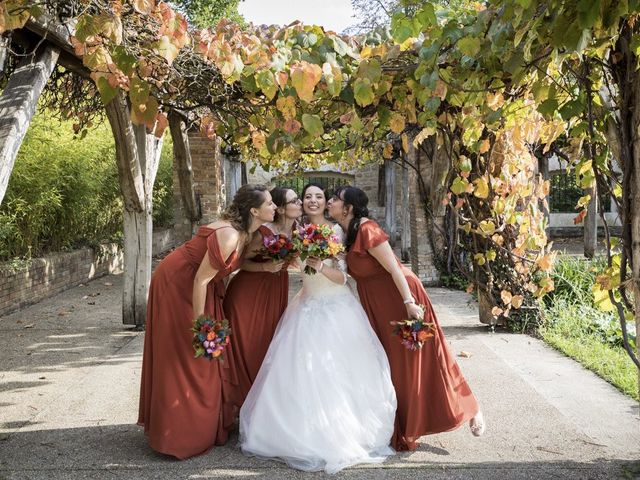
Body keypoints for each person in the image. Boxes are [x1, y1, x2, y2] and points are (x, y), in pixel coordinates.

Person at [239, 183, 397, 474]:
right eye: (307, 196)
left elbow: (341, 278)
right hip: (305, 307)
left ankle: (339, 432)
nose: (312, 200)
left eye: (319, 197)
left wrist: (320, 266)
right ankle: (296, 433)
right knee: (299, 374)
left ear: (327, 204)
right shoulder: (297, 233)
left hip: (336, 309)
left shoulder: (336, 233)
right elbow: (292, 265)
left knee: (335, 374)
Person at [330, 185, 485, 452]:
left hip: (401, 299)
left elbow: (394, 268)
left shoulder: (368, 229)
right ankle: (401, 424)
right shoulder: (346, 232)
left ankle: (470, 407)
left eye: (335, 199)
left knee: (422, 362)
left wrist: (409, 304)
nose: (329, 201)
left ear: (349, 207)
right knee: (392, 366)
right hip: (377, 305)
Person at [137, 184, 276, 460]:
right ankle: (178, 433)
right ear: (254, 210)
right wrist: (201, 326)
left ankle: (203, 424)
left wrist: (266, 267)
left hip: (202, 286)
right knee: (187, 355)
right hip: (178, 284)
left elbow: (233, 266)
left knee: (207, 359)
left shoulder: (246, 234)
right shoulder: (228, 235)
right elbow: (201, 278)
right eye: (270, 203)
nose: (275, 207)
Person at [223, 187, 302, 409]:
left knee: (268, 343)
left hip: (275, 290)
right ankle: (242, 402)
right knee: (249, 345)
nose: (300, 202)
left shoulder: (300, 230)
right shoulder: (261, 232)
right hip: (250, 292)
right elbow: (237, 263)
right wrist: (265, 267)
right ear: (282, 207)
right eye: (294, 200)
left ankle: (261, 404)